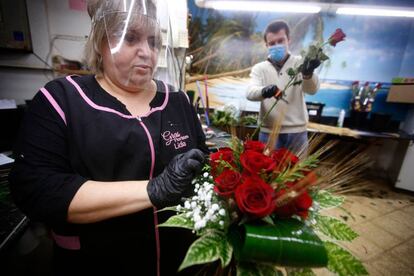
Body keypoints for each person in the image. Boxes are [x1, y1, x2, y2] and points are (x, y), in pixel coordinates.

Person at [9, 0, 208, 275]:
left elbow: (203, 166)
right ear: (101, 42)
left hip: (179, 259)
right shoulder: (62, 100)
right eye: (130, 38)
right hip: (98, 261)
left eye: (152, 41)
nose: (146, 52)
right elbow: (37, 189)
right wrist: (154, 190)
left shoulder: (177, 101)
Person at [246, 20, 320, 153]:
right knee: (266, 173)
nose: (277, 45)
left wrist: (308, 74)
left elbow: (312, 90)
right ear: (266, 45)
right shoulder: (259, 68)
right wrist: (265, 91)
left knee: (298, 172)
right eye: (272, 43)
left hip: (297, 132)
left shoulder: (301, 63)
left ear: (289, 40)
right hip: (268, 132)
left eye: (281, 41)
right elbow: (250, 93)